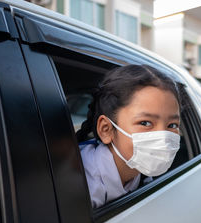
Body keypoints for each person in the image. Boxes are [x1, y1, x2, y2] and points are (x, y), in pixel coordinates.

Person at [76, 64, 181, 208]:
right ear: (106, 129)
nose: (163, 137)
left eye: (172, 125)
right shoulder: (81, 189)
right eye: (145, 123)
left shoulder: (141, 172)